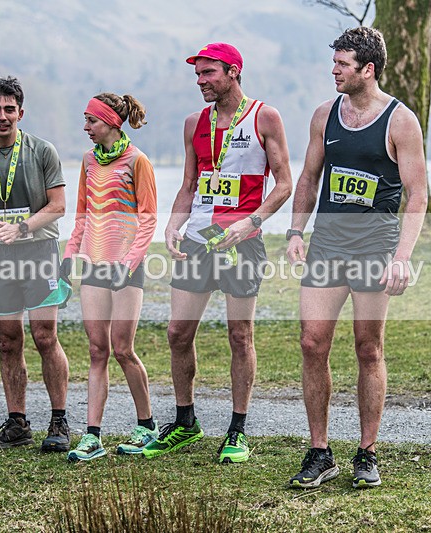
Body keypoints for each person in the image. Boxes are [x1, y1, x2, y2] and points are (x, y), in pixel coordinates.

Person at [285, 27, 428, 489]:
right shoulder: (324, 116)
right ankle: (319, 451)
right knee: (312, 343)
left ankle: (366, 453)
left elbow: (418, 194)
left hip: (374, 248)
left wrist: (402, 256)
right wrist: (294, 231)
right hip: (327, 245)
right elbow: (307, 178)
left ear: (367, 69)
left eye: (342, 64)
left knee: (368, 348)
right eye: (334, 63)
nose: (334, 71)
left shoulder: (401, 121)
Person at [143, 43, 293, 463]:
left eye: (209, 73)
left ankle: (237, 430)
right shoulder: (194, 122)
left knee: (239, 335)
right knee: (177, 333)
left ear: (233, 72)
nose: (201, 81)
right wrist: (172, 224)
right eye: (198, 74)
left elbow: (284, 184)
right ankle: (186, 422)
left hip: (242, 241)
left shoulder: (265, 116)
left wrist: (252, 222)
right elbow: (190, 185)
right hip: (198, 238)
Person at [0, 76, 72, 453]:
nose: (2, 116)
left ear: (21, 112)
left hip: (39, 250)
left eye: (9, 109)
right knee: (8, 341)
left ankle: (59, 420)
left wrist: (21, 228)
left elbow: (57, 205)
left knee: (44, 336)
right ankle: (17, 423)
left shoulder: (42, 151)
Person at [60, 92, 158, 462]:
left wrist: (129, 262)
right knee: (97, 350)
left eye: (92, 121)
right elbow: (82, 216)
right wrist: (70, 254)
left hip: (126, 269)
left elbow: (148, 218)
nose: (86, 128)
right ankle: (92, 437)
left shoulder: (138, 161)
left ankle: (146, 426)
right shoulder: (88, 161)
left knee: (122, 349)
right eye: (85, 120)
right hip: (95, 266)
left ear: (111, 123)